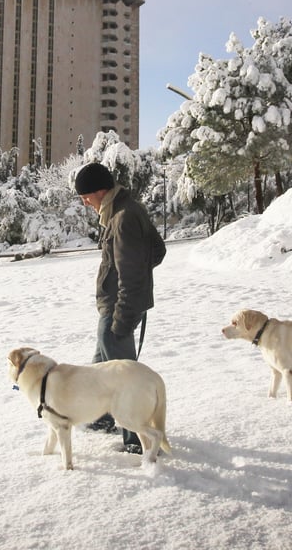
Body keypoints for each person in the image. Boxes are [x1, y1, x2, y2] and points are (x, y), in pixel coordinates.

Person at [73, 161, 166, 454]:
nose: (85, 203)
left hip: (119, 309)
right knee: (101, 367)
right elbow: (156, 251)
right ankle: (101, 417)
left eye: (85, 196)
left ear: (100, 191)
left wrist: (123, 318)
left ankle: (137, 441)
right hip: (116, 306)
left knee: (122, 377)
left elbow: (132, 273)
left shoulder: (124, 217)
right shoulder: (119, 211)